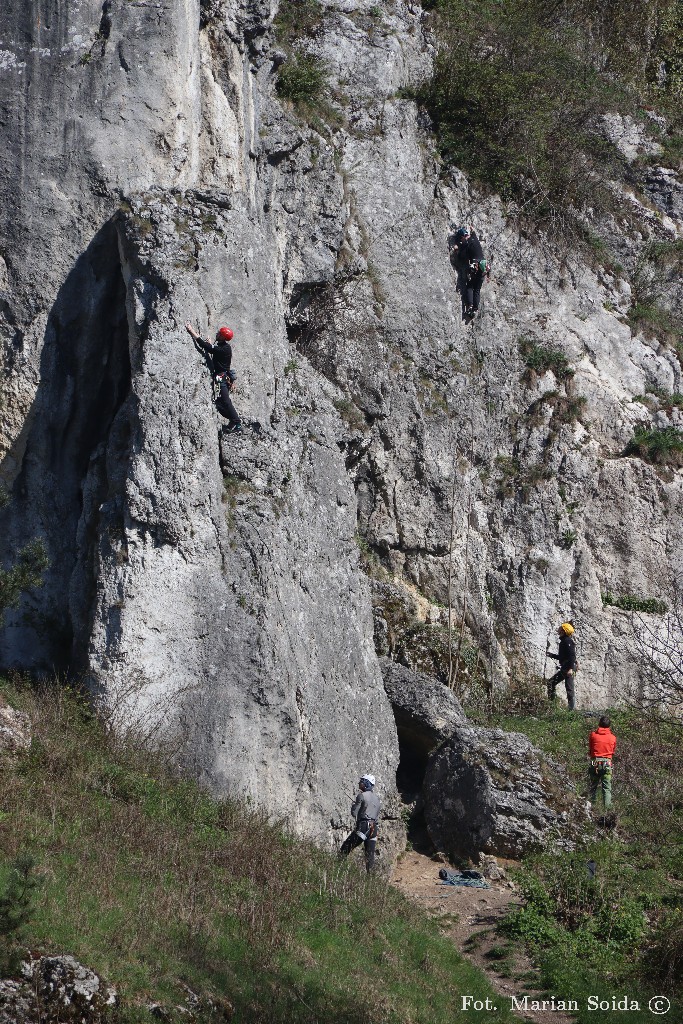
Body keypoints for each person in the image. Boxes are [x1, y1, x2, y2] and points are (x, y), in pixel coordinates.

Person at [185, 321, 242, 433]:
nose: (217, 334)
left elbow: (205, 345)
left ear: (222, 337)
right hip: (222, 375)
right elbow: (213, 349)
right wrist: (211, 345)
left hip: (221, 376)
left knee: (225, 400)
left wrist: (192, 331)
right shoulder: (224, 347)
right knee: (220, 402)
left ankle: (236, 422)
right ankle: (233, 420)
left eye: (219, 333)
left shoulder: (224, 349)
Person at [339, 773, 381, 872]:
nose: (359, 783)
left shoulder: (361, 796)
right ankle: (370, 880)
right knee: (369, 856)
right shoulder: (377, 800)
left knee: (345, 848)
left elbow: (354, 813)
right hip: (373, 829)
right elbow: (376, 817)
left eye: (361, 781)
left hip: (363, 827)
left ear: (366, 783)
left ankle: (338, 870)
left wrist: (354, 805)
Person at [547, 621, 577, 710]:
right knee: (551, 683)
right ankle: (552, 706)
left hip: (568, 668)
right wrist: (551, 655)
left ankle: (571, 711)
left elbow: (572, 655)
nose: (558, 629)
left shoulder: (567, 641)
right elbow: (563, 657)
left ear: (563, 631)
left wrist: (571, 669)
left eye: (560, 628)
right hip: (566, 667)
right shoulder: (564, 641)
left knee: (569, 688)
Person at [588, 716, 616, 811]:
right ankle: (607, 811)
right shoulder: (613, 738)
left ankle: (591, 809)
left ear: (599, 724)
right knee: (607, 789)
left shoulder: (593, 735)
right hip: (607, 763)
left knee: (592, 787)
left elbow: (591, 749)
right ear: (609, 726)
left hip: (594, 762)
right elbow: (612, 751)